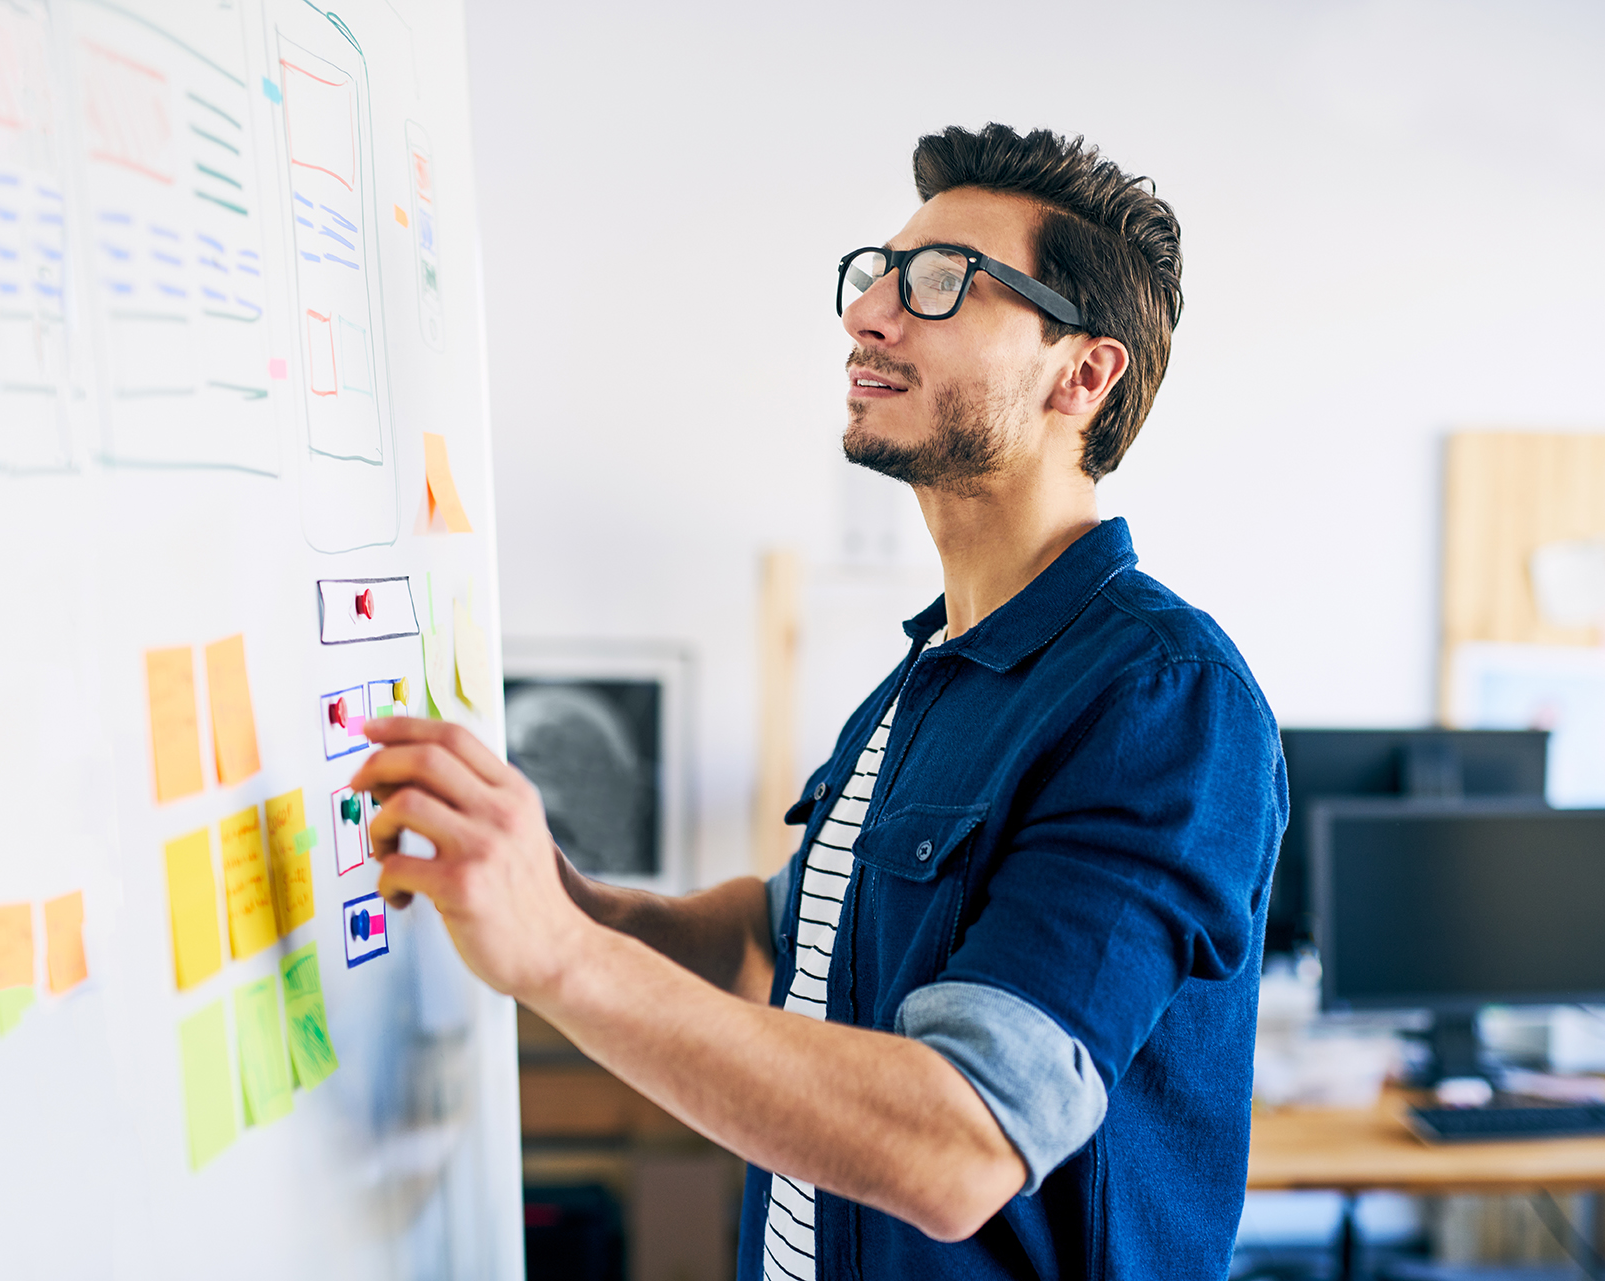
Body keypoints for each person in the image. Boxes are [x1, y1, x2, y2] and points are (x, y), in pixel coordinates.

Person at [353, 122, 1288, 1281]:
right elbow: (776, 947)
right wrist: (558, 892)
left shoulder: (1161, 700)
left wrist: (557, 958)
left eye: (942, 282)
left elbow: (963, 1143)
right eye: (878, 275)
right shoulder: (932, 672)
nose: (870, 314)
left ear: (1083, 373)